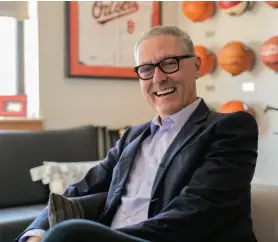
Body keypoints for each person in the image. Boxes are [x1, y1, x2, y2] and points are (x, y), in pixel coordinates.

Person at [17, 25, 259, 242]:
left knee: (68, 234)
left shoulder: (230, 128)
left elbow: (196, 214)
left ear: (196, 66)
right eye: (146, 69)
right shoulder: (132, 137)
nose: (158, 78)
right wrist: (34, 234)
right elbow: (79, 191)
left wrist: (101, 238)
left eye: (170, 63)